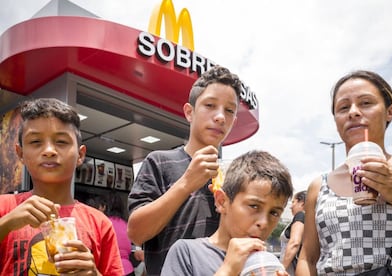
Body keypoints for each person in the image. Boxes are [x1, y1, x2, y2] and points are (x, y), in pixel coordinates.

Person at [127, 65, 243, 275]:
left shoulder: (234, 175)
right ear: (189, 112)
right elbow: (136, 233)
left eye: (229, 110)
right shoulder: (159, 162)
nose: (220, 117)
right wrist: (186, 183)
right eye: (210, 105)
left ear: (234, 121)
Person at [296, 70, 392, 275]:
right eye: (343, 107)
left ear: (390, 111)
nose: (353, 112)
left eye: (366, 103)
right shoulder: (319, 186)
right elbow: (309, 257)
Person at [0, 98, 123, 275]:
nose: (49, 150)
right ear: (20, 154)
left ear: (80, 155)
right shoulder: (5, 208)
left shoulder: (99, 223)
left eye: (61, 142)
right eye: (35, 142)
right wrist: (7, 223)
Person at [160, 150, 294, 275]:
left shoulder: (265, 263)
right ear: (222, 201)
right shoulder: (188, 253)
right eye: (254, 206)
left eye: (274, 213)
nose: (263, 223)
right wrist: (228, 270)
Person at [279, 190, 306, 275]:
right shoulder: (310, 219)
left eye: (293, 202)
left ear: (302, 203)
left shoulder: (300, 215)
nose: (291, 207)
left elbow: (295, 242)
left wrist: (281, 268)